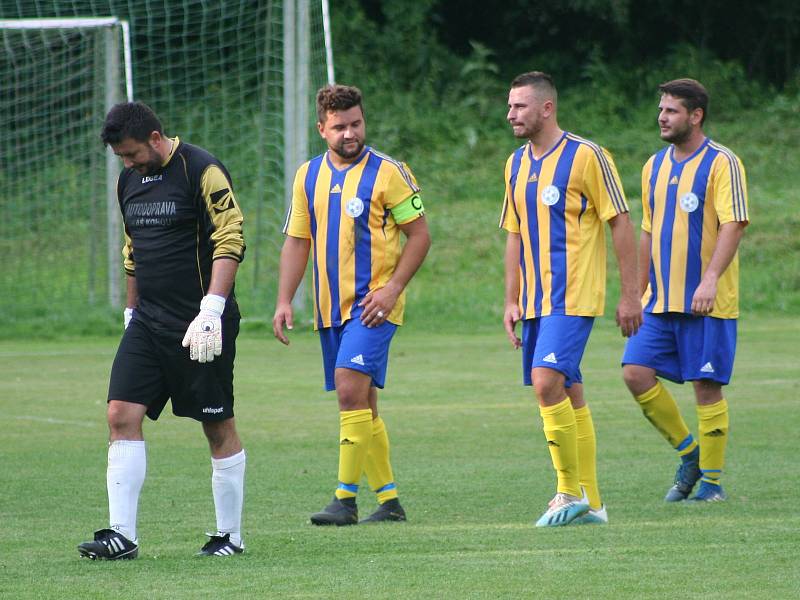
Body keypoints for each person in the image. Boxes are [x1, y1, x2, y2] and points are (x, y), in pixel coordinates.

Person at [78, 102, 247, 559]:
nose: (128, 163)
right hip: (148, 323)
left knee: (216, 424)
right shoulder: (127, 181)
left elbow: (230, 236)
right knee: (120, 415)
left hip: (201, 325)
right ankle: (122, 535)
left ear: (155, 138)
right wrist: (131, 314)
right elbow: (133, 249)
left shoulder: (202, 169)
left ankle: (229, 535)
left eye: (131, 154)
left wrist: (212, 308)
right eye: (121, 158)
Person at [273, 84, 431, 526]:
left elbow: (420, 236)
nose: (350, 133)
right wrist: (285, 299)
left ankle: (344, 499)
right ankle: (390, 501)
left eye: (356, 124)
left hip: (373, 306)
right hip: (329, 309)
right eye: (339, 126)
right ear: (322, 128)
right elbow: (297, 241)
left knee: (348, 386)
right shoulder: (308, 175)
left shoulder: (390, 172)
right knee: (363, 401)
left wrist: (393, 288)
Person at [500, 71, 642, 527]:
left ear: (546, 108)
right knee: (568, 391)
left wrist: (631, 295)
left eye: (519, 106)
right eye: (509, 106)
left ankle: (566, 491)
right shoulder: (515, 164)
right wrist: (511, 299)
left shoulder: (587, 156)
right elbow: (515, 234)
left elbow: (620, 222)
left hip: (575, 294)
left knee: (546, 383)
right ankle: (593, 504)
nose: (510, 114)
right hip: (537, 302)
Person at [621, 79, 748, 502]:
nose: (662, 117)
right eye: (661, 109)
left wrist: (710, 279)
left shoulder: (722, 163)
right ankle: (689, 453)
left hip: (706, 302)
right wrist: (636, 294)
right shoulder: (653, 165)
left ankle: (711, 482)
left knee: (705, 386)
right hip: (659, 299)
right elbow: (646, 231)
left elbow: (734, 224)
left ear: (696, 116)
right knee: (634, 373)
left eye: (672, 110)